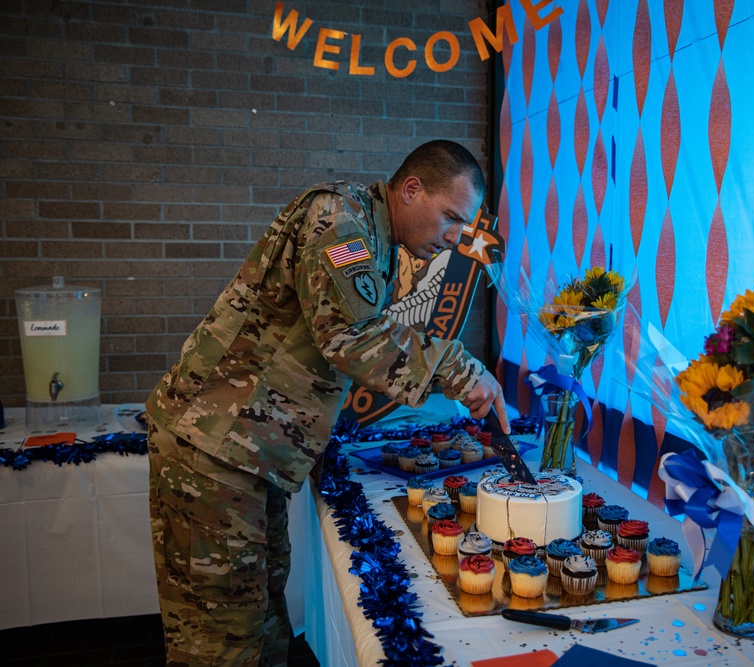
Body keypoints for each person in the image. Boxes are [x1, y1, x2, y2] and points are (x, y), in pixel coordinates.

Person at [145, 139, 509, 666]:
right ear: (411, 190)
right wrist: (459, 369)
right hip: (216, 448)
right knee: (220, 639)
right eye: (451, 218)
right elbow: (351, 336)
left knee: (262, 615)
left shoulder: (373, 233)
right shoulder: (339, 218)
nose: (455, 239)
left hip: (248, 450)